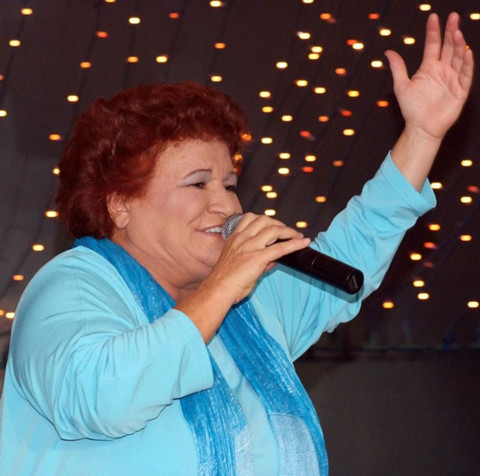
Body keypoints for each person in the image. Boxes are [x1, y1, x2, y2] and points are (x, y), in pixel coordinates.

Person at [0, 12, 473, 476]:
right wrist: (224, 285)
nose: (226, 204)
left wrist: (421, 136)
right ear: (120, 204)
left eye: (229, 184)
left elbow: (356, 246)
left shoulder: (250, 308)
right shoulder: (72, 286)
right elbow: (99, 396)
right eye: (198, 183)